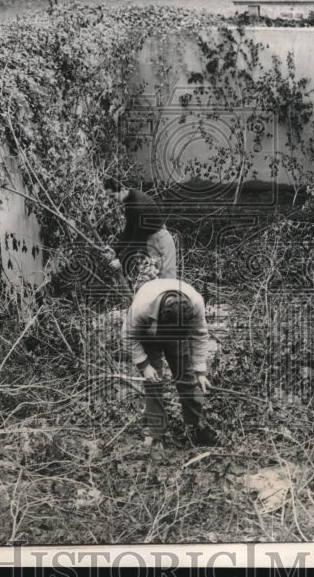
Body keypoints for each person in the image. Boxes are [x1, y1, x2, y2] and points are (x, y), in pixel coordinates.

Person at [123, 278, 218, 458]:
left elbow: (199, 335)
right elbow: (128, 336)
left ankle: (197, 425)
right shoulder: (141, 308)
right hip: (148, 333)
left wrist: (200, 372)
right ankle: (157, 435)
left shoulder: (195, 303)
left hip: (176, 335)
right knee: (153, 382)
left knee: (187, 377)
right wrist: (145, 366)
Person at [103, 178, 177, 282]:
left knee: (167, 282)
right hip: (151, 240)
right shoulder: (130, 198)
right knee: (155, 280)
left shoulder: (138, 206)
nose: (111, 200)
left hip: (161, 241)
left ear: (123, 189)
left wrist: (121, 261)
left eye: (112, 196)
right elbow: (129, 230)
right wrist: (115, 250)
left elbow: (137, 240)